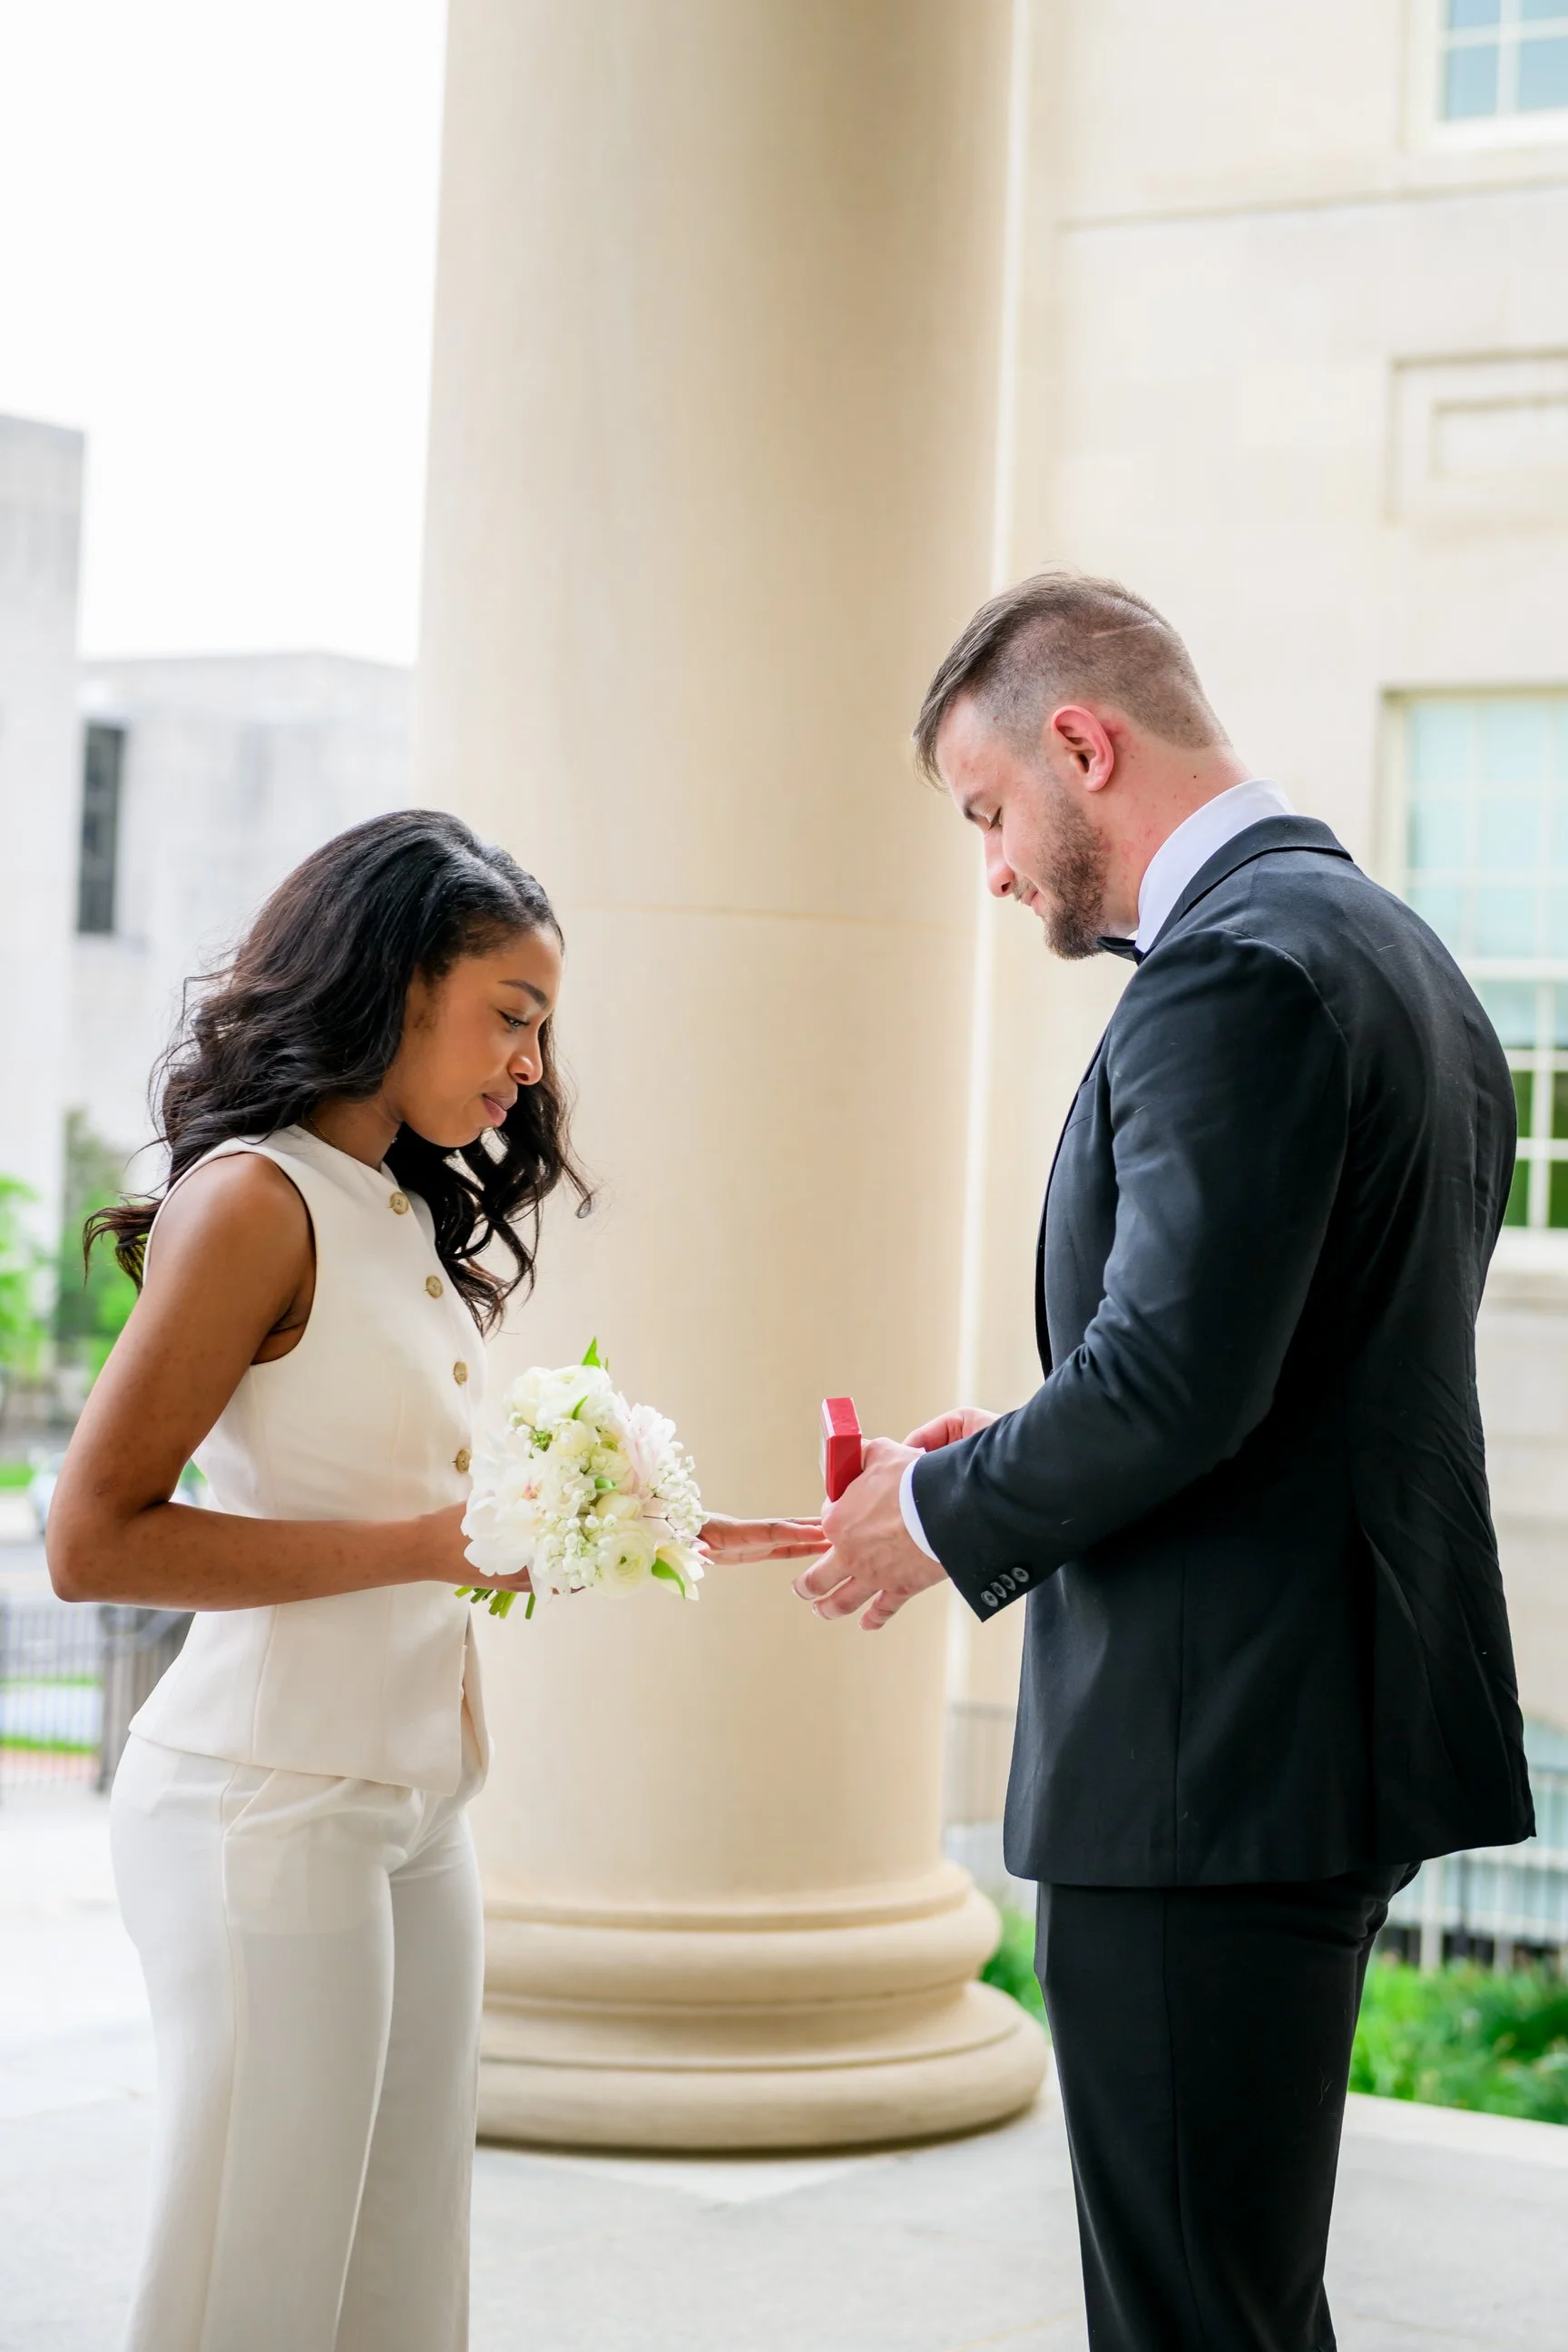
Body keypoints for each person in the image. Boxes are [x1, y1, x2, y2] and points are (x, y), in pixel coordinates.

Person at [794, 573, 1534, 2352]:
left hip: (1212, 1759)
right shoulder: (1396, 955)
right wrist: (1030, 1438)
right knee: (1235, 2300)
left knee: (1194, 2314)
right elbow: (1285, 1365)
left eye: (988, 815)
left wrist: (930, 1516)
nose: (992, 869)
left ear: (1081, 743)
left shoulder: (1234, 973)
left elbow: (1180, 1386)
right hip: (1303, 1727)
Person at [48, 809, 823, 2352]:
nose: (531, 1064)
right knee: (252, 2287)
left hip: (416, 1800)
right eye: (512, 1016)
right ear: (397, 985)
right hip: (269, 1801)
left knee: (403, 2277)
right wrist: (421, 1554)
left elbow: (448, 1502)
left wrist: (650, 1523)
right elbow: (94, 1538)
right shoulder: (255, 1201)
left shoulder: (397, 1205)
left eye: (542, 1027)